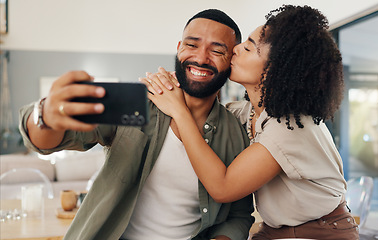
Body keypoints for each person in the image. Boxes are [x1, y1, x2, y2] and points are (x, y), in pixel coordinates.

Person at [18, 9, 254, 240]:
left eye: (217, 50)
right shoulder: (138, 103)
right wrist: (45, 116)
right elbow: (51, 140)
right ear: (179, 48)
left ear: (230, 60)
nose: (201, 58)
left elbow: (239, 215)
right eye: (192, 45)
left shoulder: (236, 132)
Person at [143, 5, 359, 240]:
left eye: (247, 48)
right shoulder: (250, 113)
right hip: (275, 230)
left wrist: (179, 111)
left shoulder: (290, 128)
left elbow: (222, 187)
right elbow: (210, 107)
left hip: (321, 232)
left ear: (273, 70)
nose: (235, 49)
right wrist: (175, 87)